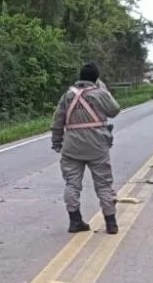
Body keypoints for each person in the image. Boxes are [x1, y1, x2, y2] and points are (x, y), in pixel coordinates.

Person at [51, 62, 121, 234]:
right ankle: (111, 223)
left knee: (72, 184)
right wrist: (104, 90)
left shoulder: (67, 95)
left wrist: (57, 142)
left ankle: (75, 221)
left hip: (72, 147)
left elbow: (58, 121)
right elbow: (114, 110)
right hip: (97, 147)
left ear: (80, 77)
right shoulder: (100, 93)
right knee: (104, 184)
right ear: (96, 78)